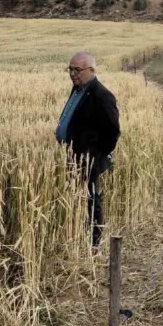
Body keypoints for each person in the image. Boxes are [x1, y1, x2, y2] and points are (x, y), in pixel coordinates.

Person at [55, 51, 120, 248]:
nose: (72, 73)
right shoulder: (78, 89)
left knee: (92, 198)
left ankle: (94, 243)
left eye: (77, 70)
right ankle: (78, 233)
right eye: (70, 69)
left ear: (91, 70)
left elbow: (113, 132)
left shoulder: (102, 95)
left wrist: (95, 154)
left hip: (88, 159)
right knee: (78, 196)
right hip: (72, 155)